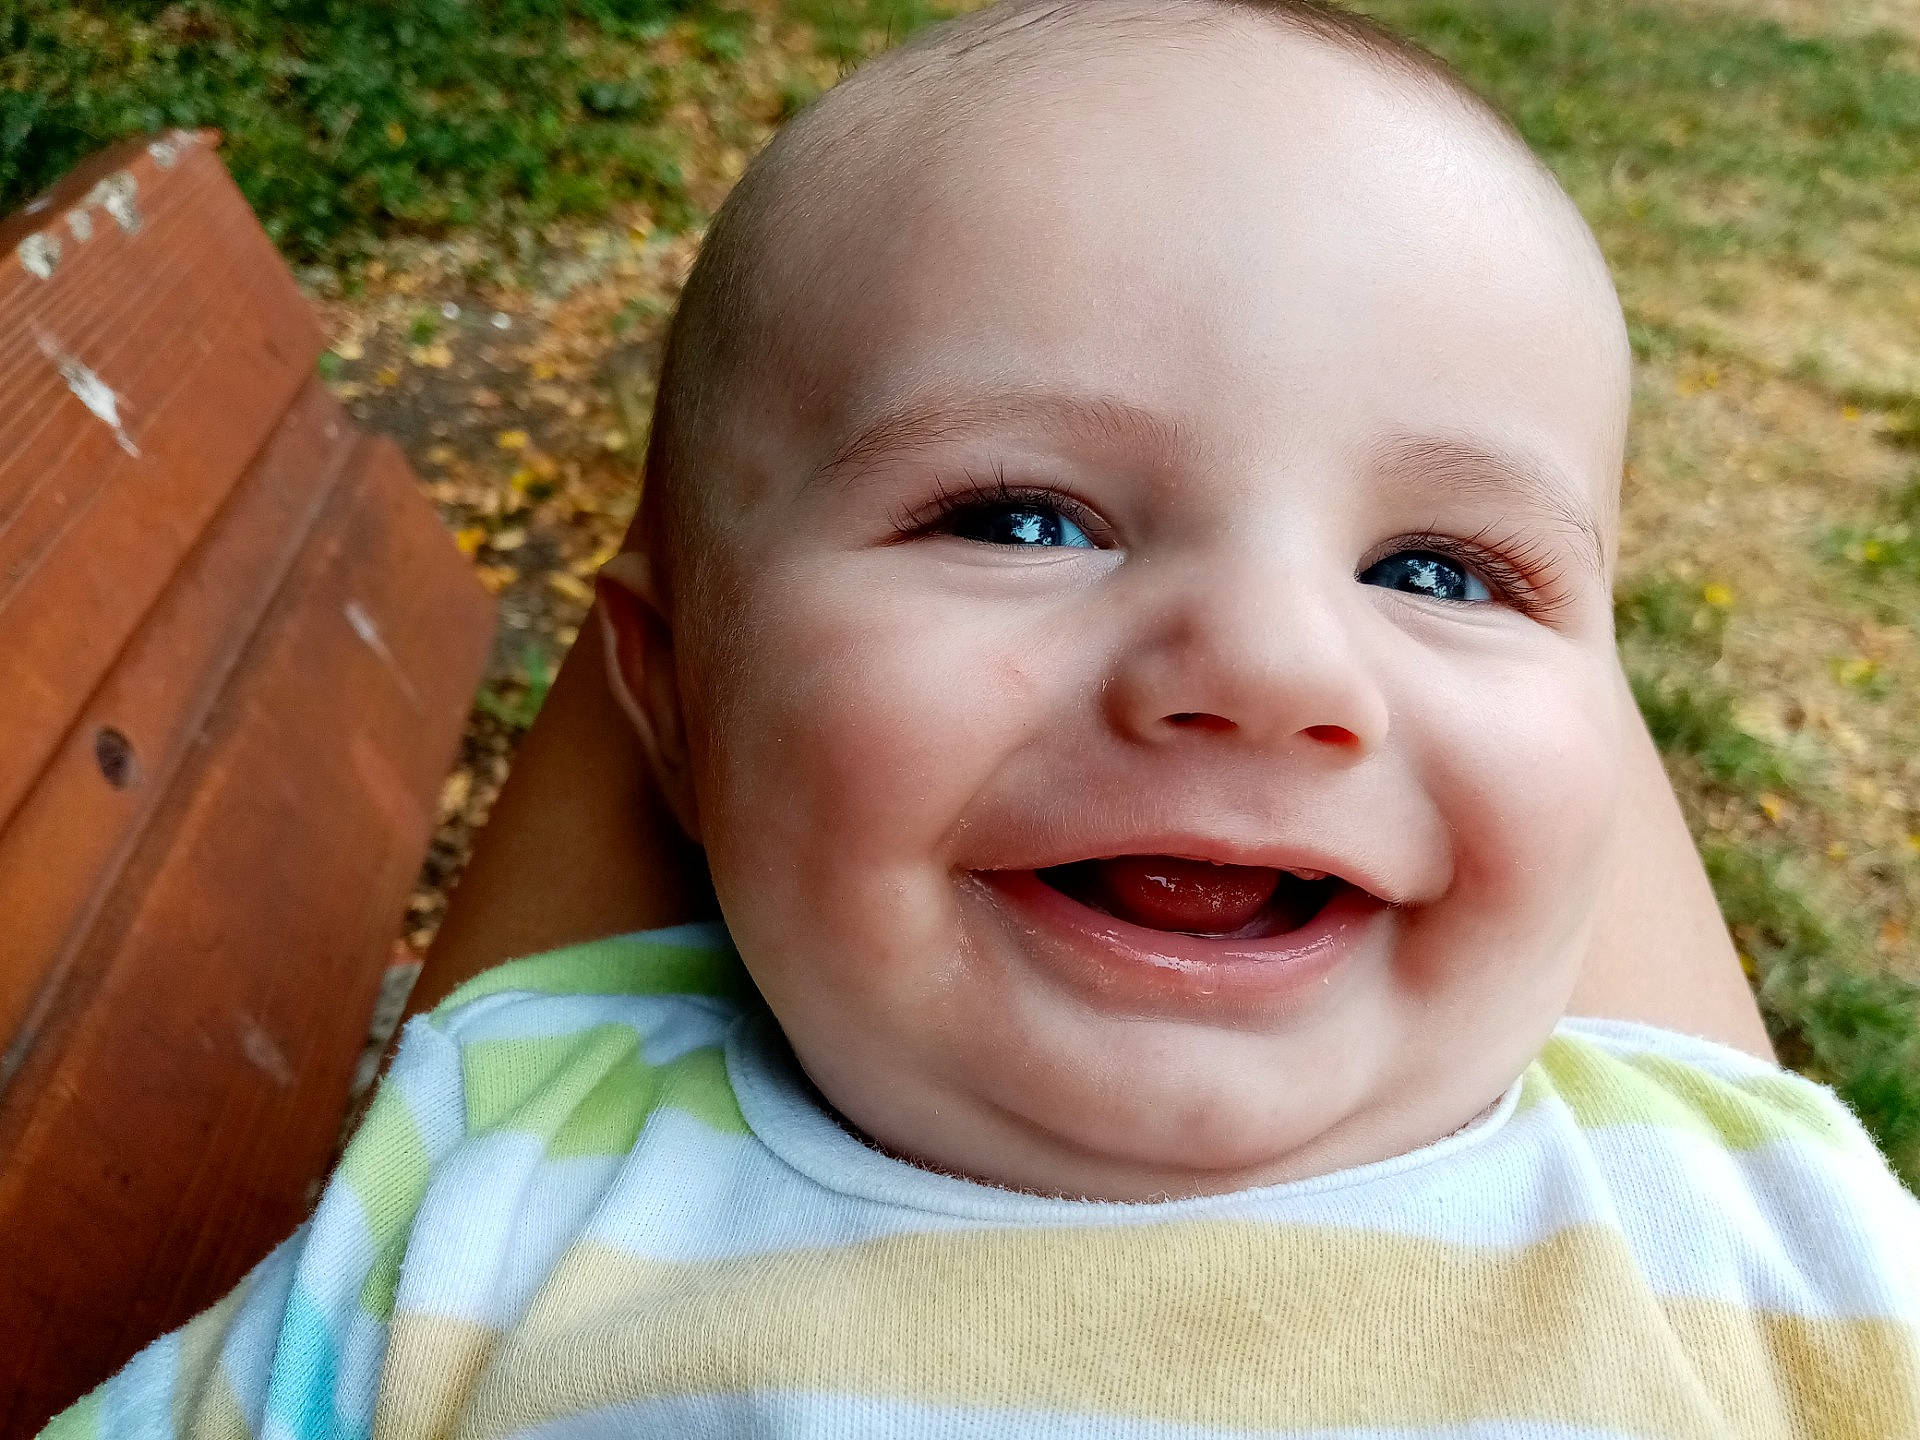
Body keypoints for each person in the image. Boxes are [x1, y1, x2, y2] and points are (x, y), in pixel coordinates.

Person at [47, 1, 1918, 1435]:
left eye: (1442, 573)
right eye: (1022, 519)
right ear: (673, 710)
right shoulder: (503, 1175)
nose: (1269, 666)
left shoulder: (1751, 1214)